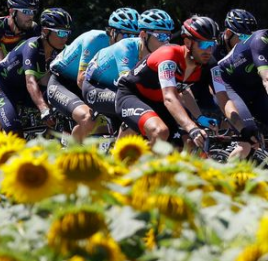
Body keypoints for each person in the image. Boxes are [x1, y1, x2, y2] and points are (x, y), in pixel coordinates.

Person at [116, 16, 219, 149]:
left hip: (157, 101)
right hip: (132, 95)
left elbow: (186, 91)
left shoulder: (206, 64)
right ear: (188, 42)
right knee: (160, 131)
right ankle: (126, 155)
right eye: (204, 44)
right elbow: (169, 97)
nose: (209, 50)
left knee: (184, 144)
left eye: (212, 45)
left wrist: (199, 118)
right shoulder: (168, 55)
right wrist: (192, 127)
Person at [45, 8, 139, 140]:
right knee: (88, 119)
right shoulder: (95, 39)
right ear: (112, 32)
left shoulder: (133, 49)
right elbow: (81, 80)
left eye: (135, 35)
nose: (131, 40)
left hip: (93, 84)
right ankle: (72, 148)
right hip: (63, 82)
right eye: (126, 35)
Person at [0, 8, 73, 135]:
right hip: (5, 89)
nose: (65, 38)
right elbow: (30, 81)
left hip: (25, 91)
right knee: (15, 135)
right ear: (45, 31)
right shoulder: (32, 46)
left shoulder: (61, 51)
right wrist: (43, 109)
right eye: (61, 33)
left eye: (67, 33)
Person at [81, 9, 173, 125]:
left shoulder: (159, 54)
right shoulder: (125, 47)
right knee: (141, 106)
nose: (166, 41)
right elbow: (127, 83)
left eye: (168, 36)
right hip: (95, 86)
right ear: (143, 35)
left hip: (115, 88)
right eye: (161, 36)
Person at [213, 27, 268, 159]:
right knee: (248, 141)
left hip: (253, 88)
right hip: (228, 85)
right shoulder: (260, 40)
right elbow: (266, 79)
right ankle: (222, 172)